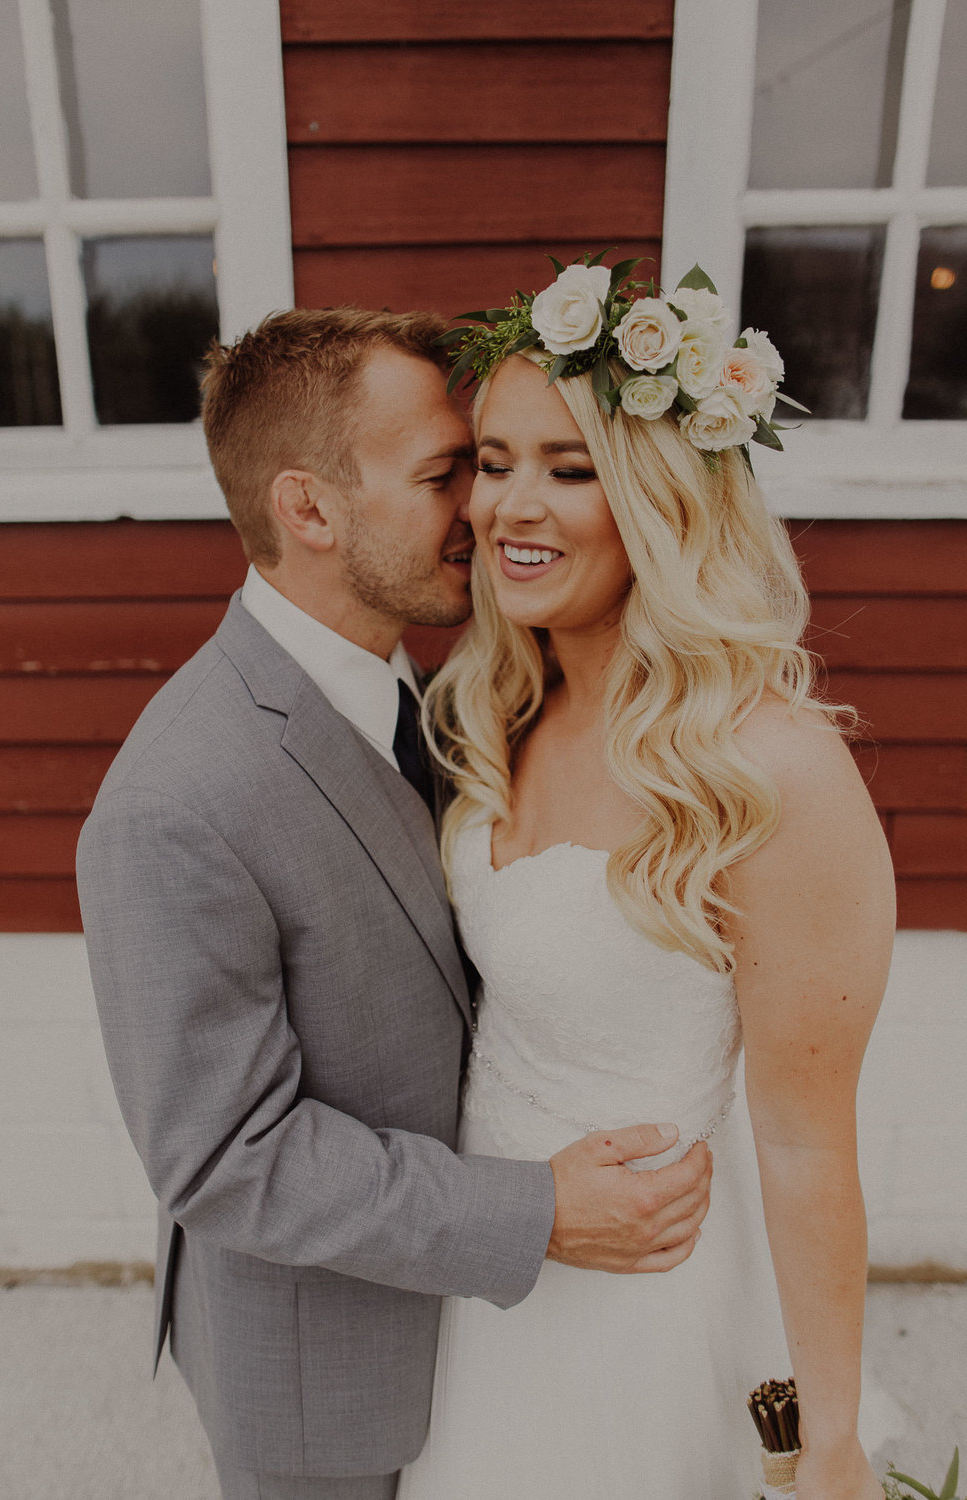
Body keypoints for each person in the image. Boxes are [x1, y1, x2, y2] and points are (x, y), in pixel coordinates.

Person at [75, 306, 715, 1500]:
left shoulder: (423, 689)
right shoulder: (173, 803)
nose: (480, 508)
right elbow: (223, 1156)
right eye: (444, 474)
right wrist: (535, 1210)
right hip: (331, 1381)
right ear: (309, 509)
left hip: (491, 1351)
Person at [397, 261, 895, 1499]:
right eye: (493, 460)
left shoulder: (770, 771)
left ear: (663, 501)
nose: (510, 506)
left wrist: (825, 1442)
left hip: (647, 1313)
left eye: (570, 469)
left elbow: (802, 1140)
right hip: (487, 1283)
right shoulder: (493, 708)